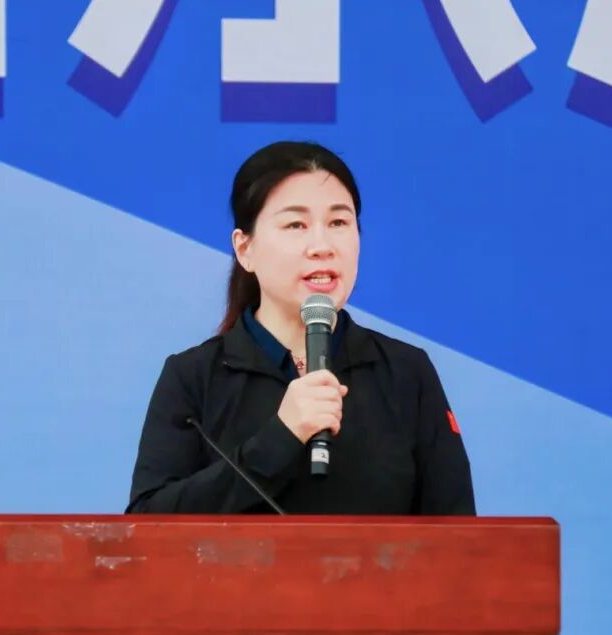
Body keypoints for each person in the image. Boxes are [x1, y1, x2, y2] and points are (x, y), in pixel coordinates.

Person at [127, 141, 475, 515]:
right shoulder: (194, 377)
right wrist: (281, 436)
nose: (322, 246)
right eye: (296, 225)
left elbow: (460, 534)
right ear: (245, 249)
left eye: (339, 223)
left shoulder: (406, 372)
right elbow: (148, 527)